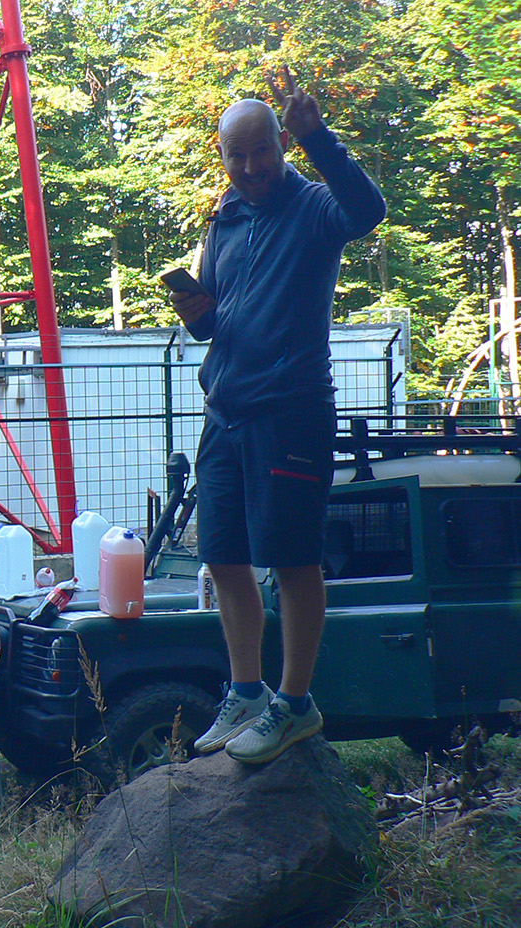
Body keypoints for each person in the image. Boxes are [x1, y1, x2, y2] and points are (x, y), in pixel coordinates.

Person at [169, 68, 385, 765]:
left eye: (262, 150)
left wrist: (319, 136)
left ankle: (295, 704)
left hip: (291, 413)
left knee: (292, 561)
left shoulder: (315, 206)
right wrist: (196, 314)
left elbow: (368, 211)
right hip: (226, 411)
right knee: (222, 556)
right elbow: (218, 321)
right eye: (236, 155)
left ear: (281, 146)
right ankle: (246, 692)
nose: (250, 167)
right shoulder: (225, 218)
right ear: (222, 156)